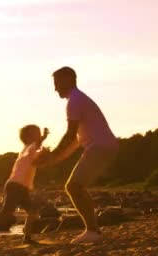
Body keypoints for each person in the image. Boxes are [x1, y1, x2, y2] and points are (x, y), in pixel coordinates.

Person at [35, 66, 119, 243]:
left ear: (68, 79)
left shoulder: (74, 101)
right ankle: (93, 230)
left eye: (57, 83)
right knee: (76, 186)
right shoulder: (78, 99)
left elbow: (70, 134)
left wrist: (52, 156)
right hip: (103, 146)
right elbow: (76, 142)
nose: (55, 88)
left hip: (100, 146)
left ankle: (92, 231)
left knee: (73, 187)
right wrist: (55, 159)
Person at [0, 124, 49, 243]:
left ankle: (27, 238)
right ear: (30, 137)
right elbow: (37, 146)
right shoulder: (30, 148)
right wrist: (44, 137)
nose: (39, 135)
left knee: (33, 211)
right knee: (6, 213)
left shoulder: (29, 150)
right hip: (15, 186)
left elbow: (39, 157)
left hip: (21, 187)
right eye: (37, 133)